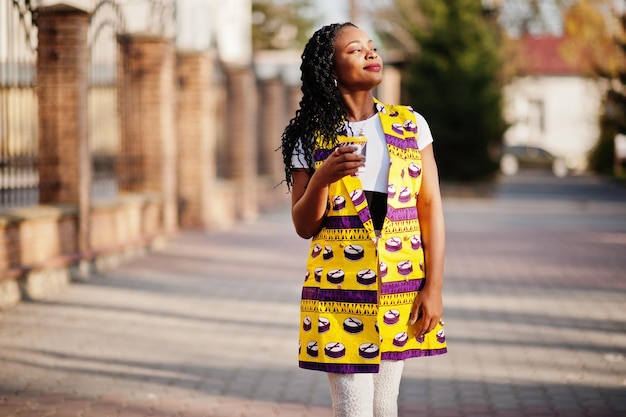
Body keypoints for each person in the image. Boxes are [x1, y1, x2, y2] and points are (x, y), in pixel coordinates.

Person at [280, 22, 447, 417]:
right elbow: (304, 226)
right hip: (338, 291)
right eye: (355, 50)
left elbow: (430, 208)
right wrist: (322, 177)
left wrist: (434, 287)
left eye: (371, 47)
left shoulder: (411, 124)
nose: (371, 54)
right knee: (353, 407)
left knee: (385, 404)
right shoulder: (310, 137)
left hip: (400, 283)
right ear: (331, 69)